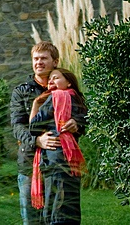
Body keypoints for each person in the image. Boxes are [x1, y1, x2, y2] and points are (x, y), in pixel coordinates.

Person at [9, 42, 84, 225]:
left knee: (61, 213)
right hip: (29, 162)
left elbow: (84, 116)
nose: (39, 62)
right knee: (32, 219)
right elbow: (17, 126)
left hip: (61, 162)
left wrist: (77, 123)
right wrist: (37, 140)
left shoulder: (65, 88)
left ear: (55, 61)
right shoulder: (21, 91)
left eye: (44, 58)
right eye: (36, 58)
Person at [29, 68, 87, 224]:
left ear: (68, 82)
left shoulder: (55, 96)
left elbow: (34, 127)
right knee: (70, 201)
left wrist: (37, 104)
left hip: (54, 156)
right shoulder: (77, 99)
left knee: (55, 202)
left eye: (55, 78)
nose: (51, 81)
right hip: (71, 157)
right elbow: (85, 119)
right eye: (50, 79)